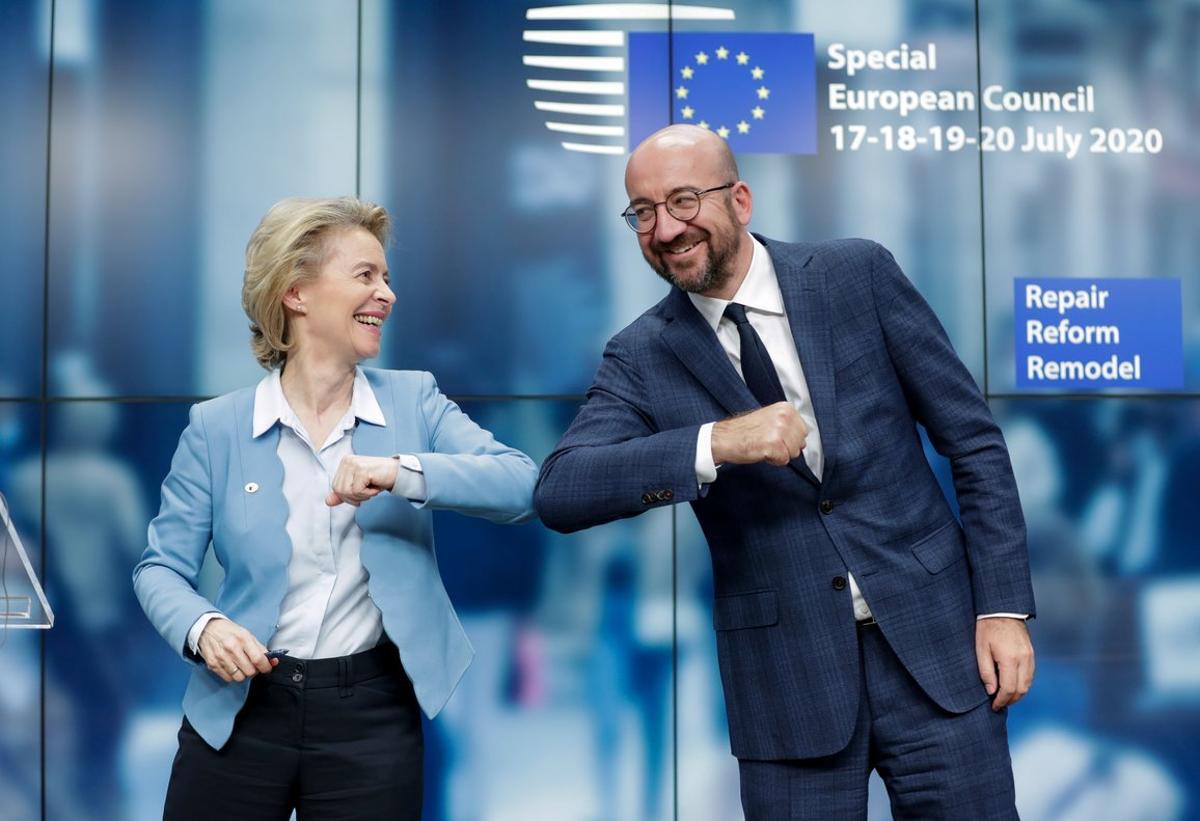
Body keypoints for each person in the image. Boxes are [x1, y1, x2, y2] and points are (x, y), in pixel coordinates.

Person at [534, 125, 1036, 819]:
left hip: (939, 654)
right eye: (642, 212)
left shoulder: (857, 274)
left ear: (740, 199)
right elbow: (561, 489)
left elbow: (973, 440)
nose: (665, 227)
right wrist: (715, 442)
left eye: (684, 200)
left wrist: (1002, 607)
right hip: (787, 691)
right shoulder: (641, 354)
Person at [133, 196, 537, 820]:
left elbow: (520, 486)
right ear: (297, 294)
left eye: (387, 277)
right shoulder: (216, 429)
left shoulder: (416, 400)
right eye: (366, 275)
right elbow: (159, 568)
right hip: (238, 708)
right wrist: (203, 627)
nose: (388, 294)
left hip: (370, 715)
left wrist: (399, 471)